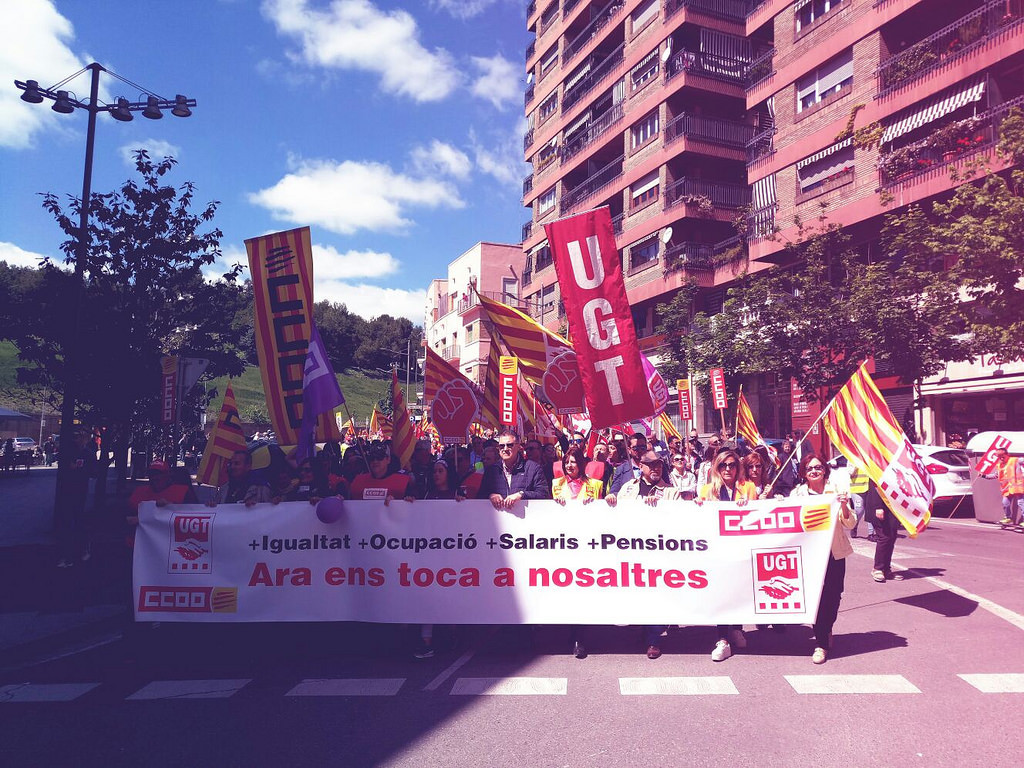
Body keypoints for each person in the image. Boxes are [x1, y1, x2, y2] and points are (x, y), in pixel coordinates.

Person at [607, 450, 679, 659]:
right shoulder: (628, 488)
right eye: (651, 464)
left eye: (659, 465)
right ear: (641, 466)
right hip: (631, 549)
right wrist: (612, 499)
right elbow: (616, 514)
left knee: (656, 593)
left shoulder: (669, 491)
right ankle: (643, 630)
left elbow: (677, 517)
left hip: (658, 551)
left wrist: (658, 509)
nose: (656, 468)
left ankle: (653, 639)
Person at [790, 454, 856, 664]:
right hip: (809, 556)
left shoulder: (835, 492)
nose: (814, 471)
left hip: (834, 553)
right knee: (816, 598)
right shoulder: (798, 494)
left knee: (834, 595)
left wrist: (844, 506)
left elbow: (851, 524)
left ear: (825, 470)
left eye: (818, 467)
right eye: (809, 468)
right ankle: (821, 642)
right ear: (804, 472)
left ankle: (826, 628)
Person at [698, 449, 757, 661]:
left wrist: (749, 506)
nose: (728, 469)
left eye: (732, 464)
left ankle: (737, 628)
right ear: (717, 468)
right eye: (723, 465)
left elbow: (758, 514)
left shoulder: (748, 488)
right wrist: (698, 507)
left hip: (741, 548)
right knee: (722, 593)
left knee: (738, 590)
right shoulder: (707, 490)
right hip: (718, 550)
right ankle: (722, 639)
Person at [126, 460, 199, 544]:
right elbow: (127, 517)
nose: (155, 478)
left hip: (171, 542)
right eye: (152, 474)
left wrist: (171, 506)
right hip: (143, 544)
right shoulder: (140, 492)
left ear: (168, 475)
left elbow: (195, 515)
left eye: (158, 474)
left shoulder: (182, 492)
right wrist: (138, 520)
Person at [481, 429, 550, 509]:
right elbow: (479, 496)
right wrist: (490, 495)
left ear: (518, 446)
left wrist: (522, 495)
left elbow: (543, 494)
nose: (505, 449)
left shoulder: (533, 468)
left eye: (509, 445)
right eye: (501, 446)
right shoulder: (491, 471)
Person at [347, 443, 417, 503]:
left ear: (388, 459)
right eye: (372, 458)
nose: (375, 461)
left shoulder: (402, 482)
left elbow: (413, 504)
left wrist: (402, 502)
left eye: (379, 457)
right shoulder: (358, 481)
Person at [865, 480, 904, 583]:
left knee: (891, 538)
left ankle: (886, 569)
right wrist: (878, 506)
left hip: (892, 507)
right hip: (879, 506)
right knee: (884, 537)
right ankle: (877, 569)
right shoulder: (879, 464)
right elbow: (875, 485)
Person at [207, 449, 272, 507]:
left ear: (248, 466)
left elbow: (268, 513)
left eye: (236, 463)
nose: (232, 467)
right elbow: (217, 510)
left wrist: (254, 508)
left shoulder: (260, 488)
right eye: (230, 463)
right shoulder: (224, 488)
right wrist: (211, 507)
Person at [994, 448, 1024, 528]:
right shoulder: (1000, 465)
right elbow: (995, 475)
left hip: (1018, 486)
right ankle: (1008, 518)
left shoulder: (1015, 460)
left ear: (1007, 454)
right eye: (999, 457)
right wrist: (984, 475)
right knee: (1005, 503)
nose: (1001, 458)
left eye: (1002, 456)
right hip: (1007, 489)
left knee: (1021, 503)